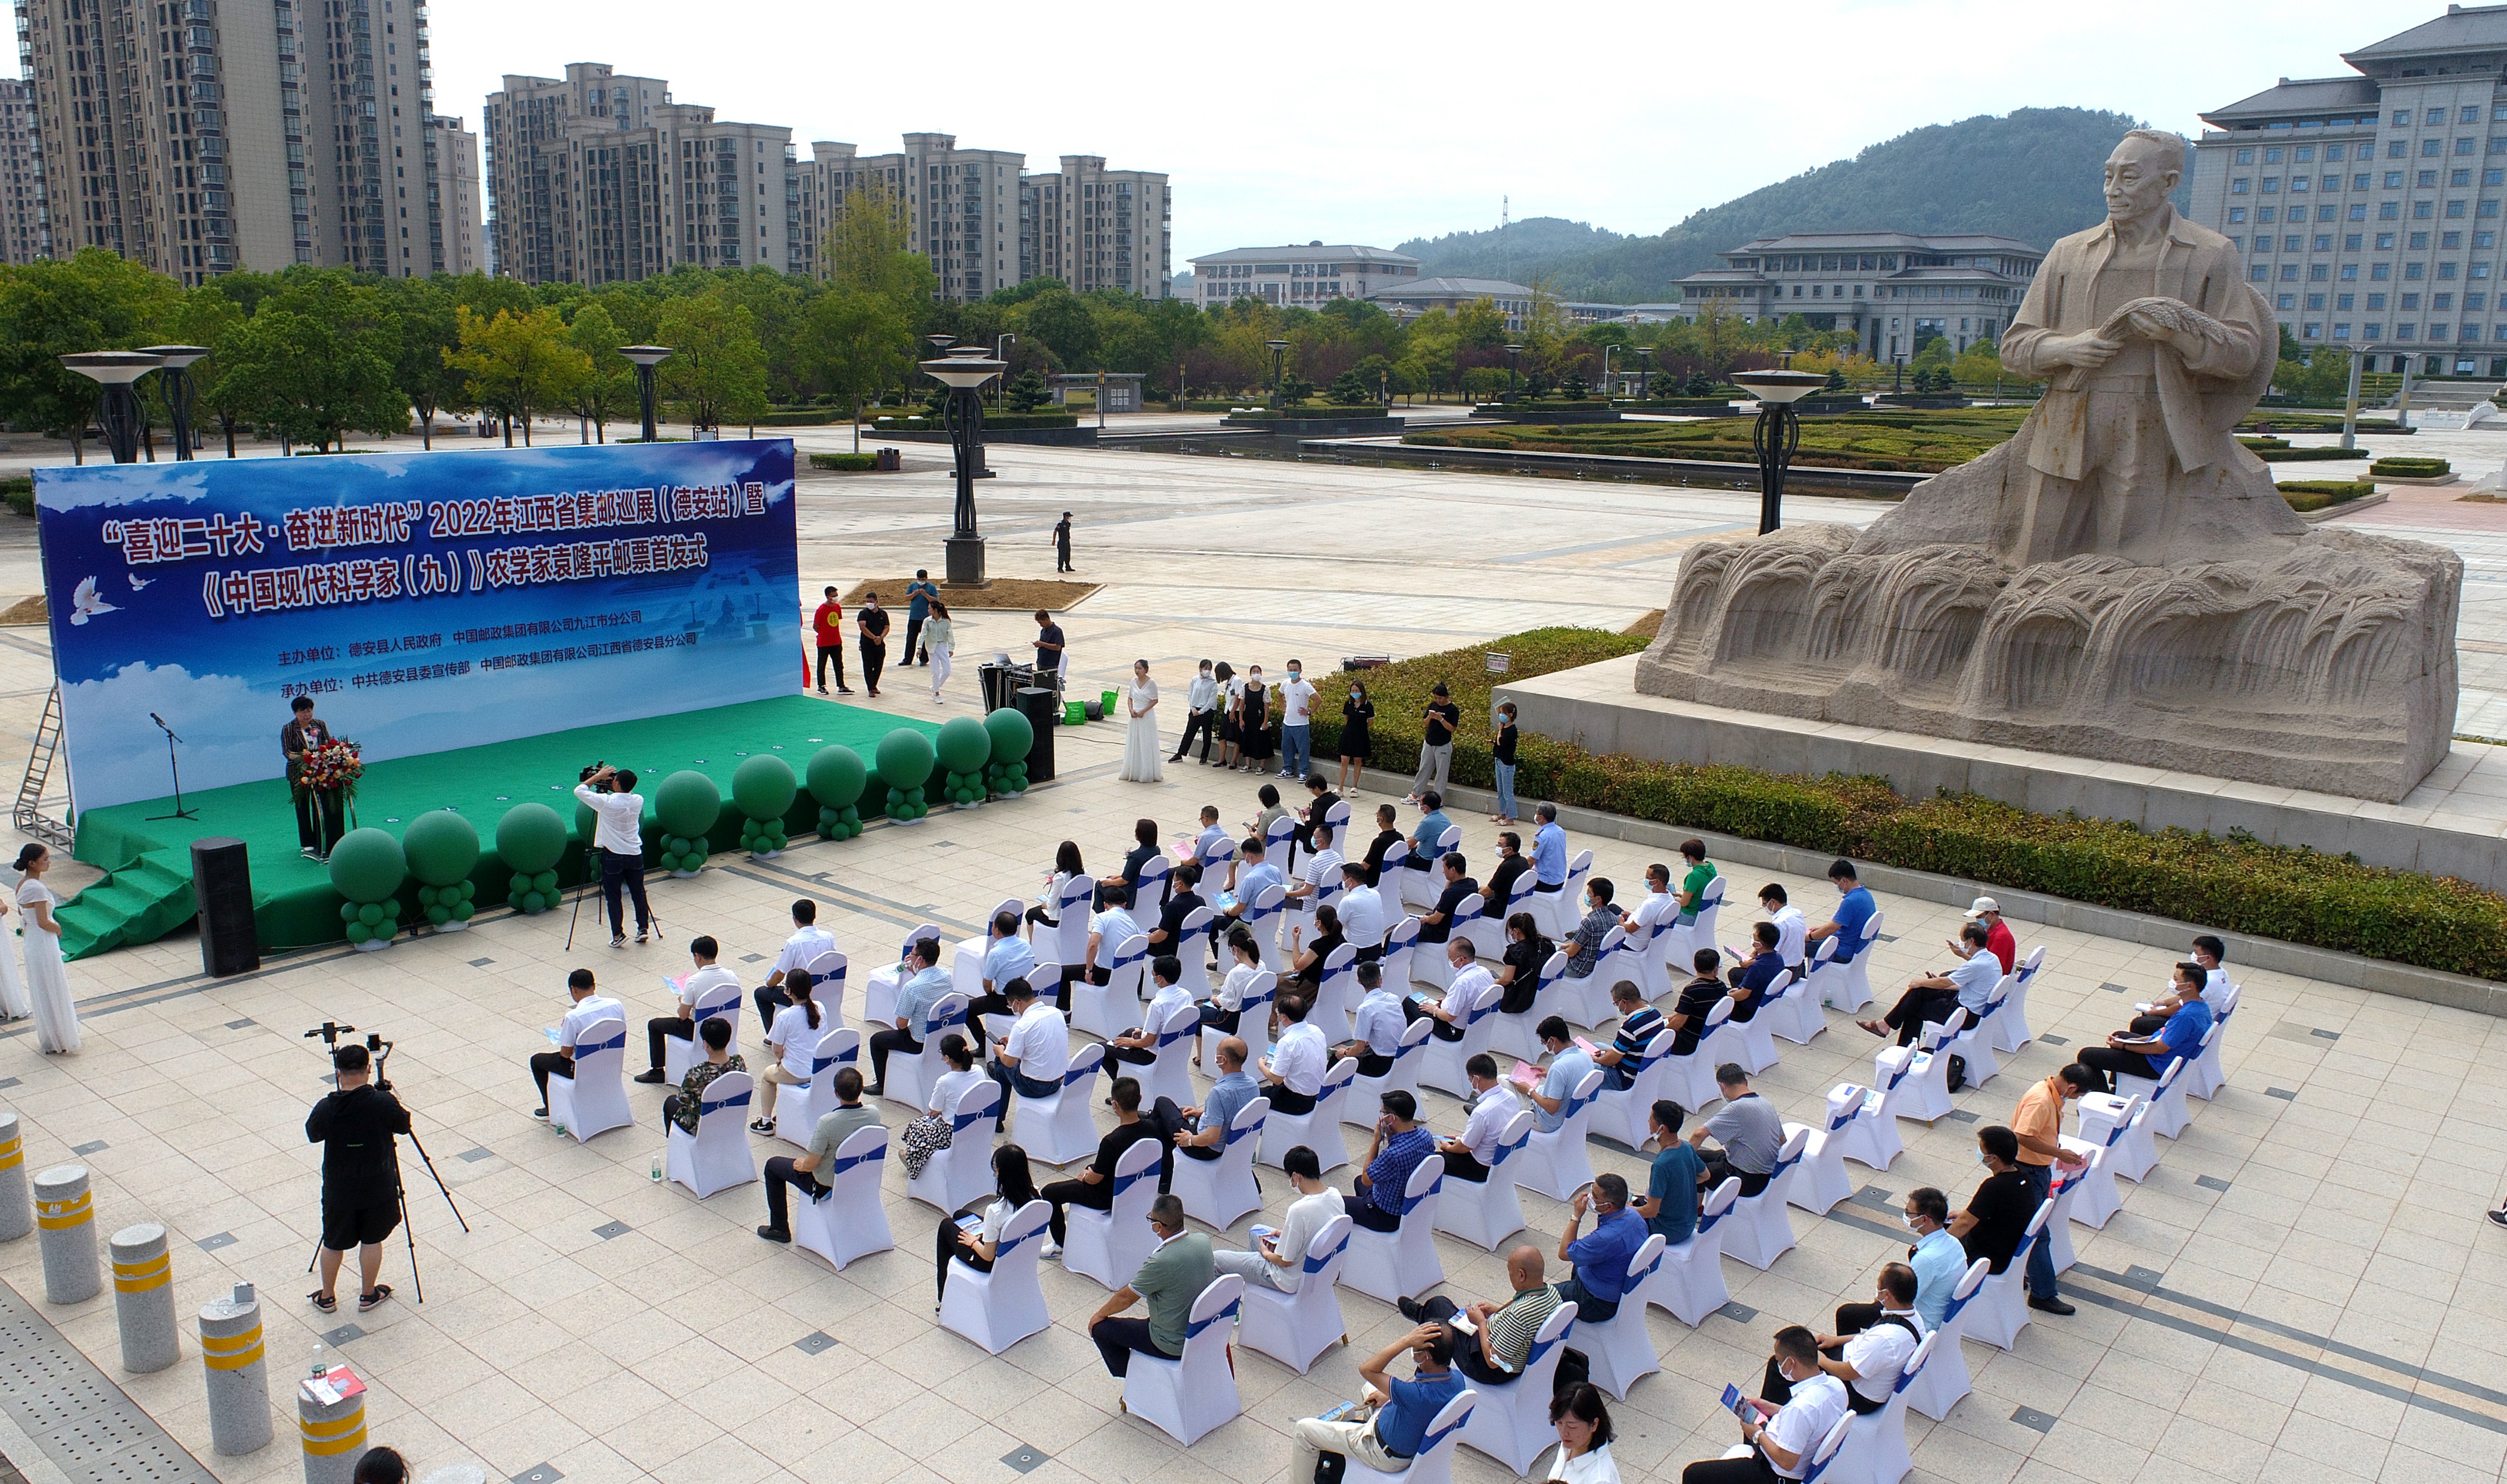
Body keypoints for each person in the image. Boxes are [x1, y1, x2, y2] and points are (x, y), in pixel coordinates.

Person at [305, 1041, 410, 1314]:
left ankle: (327, 1296)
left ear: (338, 1073)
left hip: (339, 1188)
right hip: (378, 1184)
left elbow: (313, 1134)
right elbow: (403, 1126)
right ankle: (368, 1294)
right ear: (368, 1069)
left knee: (333, 1241)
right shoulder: (383, 1102)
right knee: (372, 1239)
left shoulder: (327, 1107)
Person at [1290, 1323, 1465, 1482]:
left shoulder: (1415, 1396)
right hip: (1407, 1436)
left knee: (1304, 1430)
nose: (1413, 1350)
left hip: (1381, 1452)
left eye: (1416, 1348)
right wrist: (1390, 1397)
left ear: (1426, 1357)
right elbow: (1420, 1399)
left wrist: (1405, 1341)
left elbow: (1367, 1369)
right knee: (1370, 1389)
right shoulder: (1458, 1381)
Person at [1682, 1326, 1849, 1484]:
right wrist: (1772, 1408)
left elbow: (1787, 1461)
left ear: (1791, 1363)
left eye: (1779, 1361)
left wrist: (1757, 1434)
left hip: (1775, 1475)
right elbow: (1811, 1420)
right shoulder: (1836, 1386)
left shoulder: (1800, 1409)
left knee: (1693, 1474)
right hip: (1793, 1452)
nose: (1778, 1365)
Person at [1759, 1266, 1925, 1418]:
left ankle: (1771, 1422)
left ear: (1887, 1295)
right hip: (1860, 1368)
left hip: (1856, 1394)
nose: (1877, 1291)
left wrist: (1820, 1359)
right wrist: (1835, 1341)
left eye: (1879, 1287)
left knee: (1780, 1365)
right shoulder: (1912, 1317)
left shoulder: (1886, 1340)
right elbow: (1869, 1337)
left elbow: (1848, 1372)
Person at [1085, 1194, 1214, 1377]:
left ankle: (1134, 1379)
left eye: (1151, 1220)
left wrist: (1099, 1315)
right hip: (1199, 1333)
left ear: (1158, 1227)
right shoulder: (1203, 1241)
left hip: (1169, 1344)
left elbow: (1125, 1298)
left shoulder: (1161, 1262)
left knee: (1101, 1330)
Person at [1040, 1077, 1171, 1253]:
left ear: (1115, 1105)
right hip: (1137, 1190)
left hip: (1106, 1197)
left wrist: (1086, 1176)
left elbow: (1095, 1179)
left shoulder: (1111, 1142)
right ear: (1140, 1099)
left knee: (1049, 1192)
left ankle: (1061, 1244)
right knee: (1093, 1166)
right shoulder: (1152, 1128)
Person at [1402, 1246, 1561, 1383]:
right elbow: (1522, 1324)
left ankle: (1422, 1315)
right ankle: (1424, 1315)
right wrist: (1497, 1311)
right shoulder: (1552, 1294)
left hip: (1487, 1367)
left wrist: (1481, 1322)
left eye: (1510, 1272)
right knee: (1446, 1313)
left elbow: (1493, 1360)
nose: (1509, 1276)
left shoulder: (1518, 1316)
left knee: (1439, 1309)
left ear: (1521, 1275)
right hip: (1510, 1349)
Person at [756, 1068, 882, 1243]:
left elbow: (811, 1165)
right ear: (861, 1089)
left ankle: (779, 1229)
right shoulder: (874, 1114)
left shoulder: (827, 1123)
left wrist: (801, 1165)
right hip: (859, 1178)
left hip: (825, 1185)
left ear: (836, 1093)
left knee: (773, 1166)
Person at [2008, 1064, 2092, 1315]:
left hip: (2039, 1169)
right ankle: (2043, 1294)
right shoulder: (2041, 1101)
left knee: (2027, 1228)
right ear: (2072, 1088)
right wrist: (2058, 1153)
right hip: (2028, 1170)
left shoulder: (2051, 1095)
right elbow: (2023, 1136)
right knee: (2038, 1233)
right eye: (2077, 1095)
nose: (2074, 1099)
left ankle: (2018, 1273)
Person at [1213, 1144, 1343, 1289]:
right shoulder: (1336, 1196)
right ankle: (1252, 1285)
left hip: (1287, 1278)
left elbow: (1284, 1261)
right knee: (1257, 1231)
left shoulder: (1299, 1210)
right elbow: (1315, 1231)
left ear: (1296, 1177)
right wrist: (1285, 1235)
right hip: (1314, 1268)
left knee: (1215, 1259)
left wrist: (1265, 1253)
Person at [1859, 920, 1999, 1045]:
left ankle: (1903, 1047)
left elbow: (1946, 982)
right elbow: (1966, 982)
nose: (1960, 943)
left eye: (1962, 940)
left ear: (1971, 941)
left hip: (1966, 1015)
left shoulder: (1975, 965)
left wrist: (1921, 982)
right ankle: (1886, 1025)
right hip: (1971, 1005)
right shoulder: (1992, 959)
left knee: (1915, 1008)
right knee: (1919, 992)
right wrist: (1927, 984)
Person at [2077, 963, 2211, 1093]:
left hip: (2155, 1064)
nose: (2173, 982)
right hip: (2164, 1055)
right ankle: (2118, 1086)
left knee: (2087, 1055)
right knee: (2119, 1036)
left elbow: (2160, 1048)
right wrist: (2135, 1041)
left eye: (2176, 979)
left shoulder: (2185, 1016)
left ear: (2190, 986)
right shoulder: (2201, 1007)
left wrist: (2125, 1046)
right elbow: (2164, 1035)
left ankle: (2103, 1095)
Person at [937, 1144, 1038, 1310]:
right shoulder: (1036, 1198)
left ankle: (944, 1299)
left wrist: (972, 1242)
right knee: (960, 1214)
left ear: (1004, 1174)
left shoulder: (995, 1211)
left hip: (989, 1263)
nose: (995, 1174)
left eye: (996, 1170)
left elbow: (988, 1255)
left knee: (946, 1226)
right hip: (1018, 1255)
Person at [636, 935, 740, 1084]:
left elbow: (683, 1015)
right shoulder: (731, 976)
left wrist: (682, 999)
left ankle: (657, 1070)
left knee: (654, 1025)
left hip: (699, 1031)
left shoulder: (693, 982)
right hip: (726, 1027)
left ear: (698, 956)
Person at [573, 763, 654, 948]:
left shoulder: (606, 802)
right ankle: (643, 929)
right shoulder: (638, 800)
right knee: (639, 893)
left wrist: (597, 777)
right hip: (635, 854)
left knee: (614, 897)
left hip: (613, 856)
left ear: (616, 783)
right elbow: (624, 796)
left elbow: (580, 791)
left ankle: (618, 935)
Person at [528, 969, 621, 1118]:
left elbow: (566, 1054)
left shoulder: (573, 1017)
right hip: (610, 1063)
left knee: (537, 1061)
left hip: (581, 1069)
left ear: (574, 989)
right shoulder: (616, 1005)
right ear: (594, 985)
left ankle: (550, 1107)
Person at [1154, 1035, 1262, 1162]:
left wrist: (1190, 1140)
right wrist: (1203, 1113)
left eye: (1218, 1051)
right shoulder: (1253, 1085)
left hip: (1206, 1148)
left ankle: (1145, 1132)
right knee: (1163, 1123)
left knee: (1162, 1103)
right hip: (1231, 1144)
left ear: (1223, 1060)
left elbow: (1212, 1138)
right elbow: (1233, 1113)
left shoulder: (1219, 1093)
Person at [1555, 1173, 1648, 1321]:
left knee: (1541, 1297)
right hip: (1615, 1281)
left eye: (1594, 1196)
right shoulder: (1635, 1216)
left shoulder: (1606, 1238)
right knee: (1579, 1257)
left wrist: (1576, 1216)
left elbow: (1564, 1253)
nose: (1589, 1198)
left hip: (1596, 1302)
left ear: (1608, 1206)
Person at [897, 1034, 987, 1180]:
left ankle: (913, 1161)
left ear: (947, 1058)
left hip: (950, 1133)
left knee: (915, 1126)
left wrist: (939, 1111)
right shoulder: (979, 1070)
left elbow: (934, 1109)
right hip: (976, 1126)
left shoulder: (945, 1081)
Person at [867, 937, 948, 1096]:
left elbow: (901, 1024)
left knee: (876, 1040)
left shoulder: (912, 987)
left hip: (919, 1041)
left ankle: (882, 1084)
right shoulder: (946, 975)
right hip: (942, 1033)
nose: (909, 957)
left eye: (912, 954)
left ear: (920, 959)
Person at [15, 845, 77, 1055]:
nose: (49, 862)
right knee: (52, 985)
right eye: (45, 859)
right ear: (32, 863)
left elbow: (24, 914)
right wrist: (58, 929)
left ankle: (52, 1035)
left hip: (32, 939)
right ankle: (60, 1036)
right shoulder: (37, 889)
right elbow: (43, 921)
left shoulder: (23, 884)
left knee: (43, 986)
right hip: (43, 940)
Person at [985, 978, 1070, 1131]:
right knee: (1007, 1061)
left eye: (1010, 1005)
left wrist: (1000, 1052)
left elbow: (1009, 1062)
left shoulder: (1022, 1025)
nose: (1012, 1008)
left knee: (1000, 1064)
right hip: (1059, 1081)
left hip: (1034, 1087)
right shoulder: (1056, 1013)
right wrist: (1014, 1042)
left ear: (1017, 1002)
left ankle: (997, 1120)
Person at [1103, 957, 1196, 1095]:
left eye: (1153, 974)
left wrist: (1131, 1042)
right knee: (1129, 1032)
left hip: (1152, 1055)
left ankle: (1123, 1092)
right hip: (1174, 1048)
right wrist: (1143, 1032)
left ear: (1160, 979)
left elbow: (1149, 1042)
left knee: (1102, 1049)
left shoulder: (1158, 1004)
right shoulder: (1187, 995)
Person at [1951, 1126, 2035, 1275]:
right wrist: (1964, 1214)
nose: (1979, 1153)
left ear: (1993, 1158)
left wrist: (1938, 1245)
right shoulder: (2023, 1176)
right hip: (2007, 1248)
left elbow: (1965, 1223)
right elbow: (1997, 1210)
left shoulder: (1995, 1186)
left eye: (1982, 1150)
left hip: (1988, 1257)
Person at [1347, 1091, 1434, 1231]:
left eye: (1384, 1113)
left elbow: (1366, 1179)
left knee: (1337, 1205)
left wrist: (1376, 1141)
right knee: (1357, 1182)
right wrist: (1390, 1136)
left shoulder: (1393, 1155)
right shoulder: (1426, 1137)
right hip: (1410, 1206)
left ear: (1392, 1118)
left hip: (1385, 1215)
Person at [749, 972, 823, 1134]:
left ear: (788, 991)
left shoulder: (785, 1016)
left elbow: (777, 1049)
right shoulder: (820, 1008)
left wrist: (781, 1060)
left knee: (767, 1077)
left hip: (795, 1072)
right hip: (818, 1070)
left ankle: (765, 1122)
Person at [1691, 1065, 1782, 1195]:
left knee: (1693, 1168)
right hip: (1765, 1174)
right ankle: (1699, 1205)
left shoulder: (1737, 1108)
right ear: (1746, 1082)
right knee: (1697, 1157)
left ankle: (1696, 1206)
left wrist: (1680, 1157)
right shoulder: (1765, 1103)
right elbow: (1782, 1140)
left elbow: (1699, 1134)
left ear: (1722, 1086)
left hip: (1748, 1179)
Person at [754, 898, 836, 1026]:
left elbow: (779, 975)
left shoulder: (793, 943)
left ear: (795, 918)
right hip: (826, 989)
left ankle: (772, 1033)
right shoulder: (828, 937)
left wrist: (769, 984)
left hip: (800, 996)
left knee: (760, 993)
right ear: (814, 916)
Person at [282, 695, 345, 860]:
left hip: (320, 772)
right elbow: (287, 752)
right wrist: (306, 758)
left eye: (309, 711)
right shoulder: (288, 729)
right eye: (303, 711)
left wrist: (327, 755)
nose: (307, 714)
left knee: (320, 804)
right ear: (295, 713)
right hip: (298, 772)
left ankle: (321, 838)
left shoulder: (320, 724)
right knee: (302, 806)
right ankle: (307, 842)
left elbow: (329, 744)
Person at [1441, 1054, 1521, 1182]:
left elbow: (1465, 1148)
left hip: (1480, 1167)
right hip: (1501, 1161)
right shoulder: (1511, 1098)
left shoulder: (1482, 1113)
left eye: (1470, 1080)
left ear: (1476, 1079)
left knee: (1432, 1160)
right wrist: (1461, 1139)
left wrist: (1448, 1148)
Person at [1638, 1102, 1707, 1245]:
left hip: (1667, 1231)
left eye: (1651, 1118)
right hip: (1687, 1224)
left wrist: (1626, 1210)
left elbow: (1652, 1211)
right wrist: (1678, 1186)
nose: (1648, 1121)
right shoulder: (1687, 1148)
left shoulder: (1661, 1165)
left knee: (1616, 1216)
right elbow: (1705, 1175)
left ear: (1662, 1128)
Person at [664, 1015, 746, 1134]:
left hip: (701, 1126)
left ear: (705, 1044)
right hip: (731, 1121)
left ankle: (673, 1141)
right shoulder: (739, 1062)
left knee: (670, 1102)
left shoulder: (696, 1073)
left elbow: (683, 1099)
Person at [1407, 939, 1495, 1043]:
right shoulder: (1485, 972)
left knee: (1409, 1003)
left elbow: (1450, 1017)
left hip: (1453, 1030)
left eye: (1452, 959)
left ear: (1461, 960)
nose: (1451, 963)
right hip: (1476, 1026)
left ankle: (1410, 1041)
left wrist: (1434, 1010)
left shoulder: (1462, 983)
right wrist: (1446, 1002)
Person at [1902, 1187, 1965, 1328]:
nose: (1906, 1216)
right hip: (1939, 1315)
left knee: (1852, 1315)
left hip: (1922, 1324)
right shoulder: (1955, 1244)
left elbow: (1903, 1303)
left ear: (1924, 1219)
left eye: (1909, 1213)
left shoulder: (1926, 1259)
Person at [963, 910, 1040, 1025]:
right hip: (1027, 995)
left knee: (965, 1010)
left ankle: (982, 1036)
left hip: (1007, 1001)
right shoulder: (1025, 944)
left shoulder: (996, 953)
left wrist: (991, 996)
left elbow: (986, 983)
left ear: (997, 931)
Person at [1526, 1017, 1597, 1134]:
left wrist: (1529, 1091)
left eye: (1544, 1043)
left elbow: (1552, 1108)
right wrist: (1550, 1075)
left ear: (1553, 1040)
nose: (1546, 1047)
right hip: (1573, 1116)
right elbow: (1571, 1080)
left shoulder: (1559, 1068)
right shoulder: (1585, 1055)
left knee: (1506, 1085)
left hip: (1549, 1122)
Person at [1336, 962, 1406, 1076]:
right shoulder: (1394, 998)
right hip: (1400, 1056)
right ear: (1380, 980)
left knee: (1336, 1060)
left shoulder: (1365, 1009)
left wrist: (1344, 1054)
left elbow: (1359, 1048)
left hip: (1381, 1064)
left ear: (1359, 982)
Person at [1261, 993, 1326, 1115]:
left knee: (1254, 1095)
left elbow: (1277, 1079)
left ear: (1284, 1017)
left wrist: (1261, 1066)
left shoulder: (1287, 1042)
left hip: (1298, 1101)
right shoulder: (1317, 1031)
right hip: (1318, 1094)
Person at [1803, 858, 1877, 966]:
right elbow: (1839, 923)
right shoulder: (1866, 895)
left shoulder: (1850, 902)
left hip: (1842, 951)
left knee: (1796, 947)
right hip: (1852, 946)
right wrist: (1820, 929)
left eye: (1836, 884)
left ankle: (1797, 975)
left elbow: (1832, 928)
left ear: (1844, 881)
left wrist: (1809, 937)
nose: (1837, 887)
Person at [1592, 981, 1664, 1090]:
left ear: (1624, 1002)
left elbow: (1611, 1061)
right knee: (1597, 1046)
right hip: (1643, 1070)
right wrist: (1612, 1052)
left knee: (1583, 1065)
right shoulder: (1656, 1015)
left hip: (1623, 1078)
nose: (1618, 1007)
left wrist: (1594, 1059)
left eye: (1616, 1004)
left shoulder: (1630, 1027)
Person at [1546, 1383, 1623, 1484]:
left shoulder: (1599, 1479)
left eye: (1572, 1426)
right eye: (1559, 1423)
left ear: (1594, 1424)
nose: (1563, 1432)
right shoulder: (1571, 1444)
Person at [1200, 930, 1264, 1045]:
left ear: (1235, 949)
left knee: (1199, 1013)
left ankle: (1201, 1054)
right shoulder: (1261, 966)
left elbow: (1227, 1003)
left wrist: (1213, 999)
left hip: (1232, 1020)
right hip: (1253, 1016)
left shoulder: (1236, 973)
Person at [1666, 948, 1727, 1056]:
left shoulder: (1691, 991)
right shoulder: (1722, 987)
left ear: (1695, 966)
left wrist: (1663, 1032)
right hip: (1708, 1036)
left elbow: (1679, 1022)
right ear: (1716, 969)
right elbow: (1683, 1013)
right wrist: (1669, 1018)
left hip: (1688, 1042)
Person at [1024, 840, 1086, 939]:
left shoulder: (1061, 878)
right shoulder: (1085, 873)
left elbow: (1052, 904)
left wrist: (1045, 904)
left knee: (1030, 914)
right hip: (1078, 915)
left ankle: (1033, 945)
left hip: (1059, 919)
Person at [1494, 911, 1553, 1014]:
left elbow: (1507, 979)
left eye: (1510, 931)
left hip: (1519, 999)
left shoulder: (1516, 952)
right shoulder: (1545, 944)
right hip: (1538, 990)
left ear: (1515, 931)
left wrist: (1496, 982)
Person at [1096, 817, 1160, 913]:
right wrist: (1118, 877)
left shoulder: (1135, 857)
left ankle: (1101, 914)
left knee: (1100, 884)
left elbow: (1124, 881)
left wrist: (1108, 883)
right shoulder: (1157, 850)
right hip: (1146, 889)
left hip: (1131, 895)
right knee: (1111, 878)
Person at [1725, 923, 1788, 1019]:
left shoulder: (1756, 967)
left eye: (1754, 940)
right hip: (1763, 1002)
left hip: (1748, 1011)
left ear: (1759, 945)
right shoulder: (1779, 958)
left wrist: (1727, 997)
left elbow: (1743, 995)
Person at [1414, 853, 1477, 947]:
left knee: (1403, 932)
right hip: (1457, 927)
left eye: (1444, 868)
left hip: (1441, 932)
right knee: (1428, 914)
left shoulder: (1450, 893)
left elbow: (1435, 920)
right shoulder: (1473, 884)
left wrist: (1425, 919)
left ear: (1453, 870)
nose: (1443, 872)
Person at [1143, 863, 1205, 959]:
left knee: (1143, 942)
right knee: (1153, 930)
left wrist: (1144, 938)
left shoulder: (1172, 906)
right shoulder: (1200, 901)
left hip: (1171, 949)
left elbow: (1161, 936)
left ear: (1180, 884)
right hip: (1191, 944)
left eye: (1174, 881)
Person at [1084, 885, 1143, 985]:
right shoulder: (1133, 924)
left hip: (1104, 972)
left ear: (1105, 905)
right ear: (1124, 905)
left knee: (1065, 973)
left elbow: (1092, 946)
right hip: (1125, 973)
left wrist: (1088, 971)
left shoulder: (1101, 918)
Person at [1119, 658, 1164, 783]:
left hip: (1146, 715)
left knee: (1146, 741)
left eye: (1140, 668)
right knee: (1135, 741)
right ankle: (1134, 770)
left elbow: (1155, 700)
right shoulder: (1133, 682)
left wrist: (1144, 711)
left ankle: (1147, 771)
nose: (1137, 671)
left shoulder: (1151, 683)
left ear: (1146, 670)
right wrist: (1131, 710)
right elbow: (1130, 698)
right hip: (1135, 715)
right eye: (1136, 668)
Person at [1563, 878, 1618, 979]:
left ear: (1598, 899)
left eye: (1589, 893)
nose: (1586, 895)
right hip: (1597, 968)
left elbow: (1571, 953)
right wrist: (1571, 946)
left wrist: (1558, 953)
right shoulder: (1614, 919)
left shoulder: (1589, 922)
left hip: (1579, 969)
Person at [1172, 659, 1220, 764]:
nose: (1207, 671)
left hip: (1206, 712)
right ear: (1200, 669)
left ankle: (1204, 757)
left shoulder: (1212, 683)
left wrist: (1202, 711)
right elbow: (1190, 695)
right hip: (1194, 711)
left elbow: (1211, 700)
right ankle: (1180, 754)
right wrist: (1193, 709)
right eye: (1205, 668)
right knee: (1189, 733)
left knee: (1207, 735)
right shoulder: (1195, 680)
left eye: (1209, 669)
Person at [1277, 658, 1318, 781]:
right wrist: (1283, 707)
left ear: (1300, 670)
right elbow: (1280, 695)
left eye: (1295, 670)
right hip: (1287, 723)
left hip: (1301, 724)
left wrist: (1309, 712)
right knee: (1286, 748)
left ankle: (1303, 772)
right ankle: (1287, 769)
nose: (1293, 672)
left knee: (1303, 750)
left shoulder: (1306, 686)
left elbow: (1318, 699)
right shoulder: (1286, 684)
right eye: (1290, 670)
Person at [1338, 863, 1387, 962]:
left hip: (1358, 953)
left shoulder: (1348, 901)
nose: (1343, 883)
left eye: (1344, 880)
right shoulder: (1376, 894)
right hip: (1377, 949)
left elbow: (1337, 925)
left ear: (1351, 880)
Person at [1406, 791, 1454, 891]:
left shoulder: (1427, 823)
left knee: (1396, 858)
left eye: (1420, 802)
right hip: (1439, 859)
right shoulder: (1446, 820)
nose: (1419, 804)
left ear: (1426, 807)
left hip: (1424, 861)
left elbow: (1410, 844)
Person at [811, 585, 853, 694]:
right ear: (828, 597)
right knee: (822, 665)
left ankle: (841, 686)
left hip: (836, 641)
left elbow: (837, 621)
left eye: (836, 595)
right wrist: (823, 634)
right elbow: (815, 626)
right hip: (824, 643)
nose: (836, 598)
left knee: (839, 665)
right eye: (834, 596)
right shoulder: (821, 610)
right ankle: (821, 686)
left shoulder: (837, 607)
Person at [1759, 884, 1807, 975]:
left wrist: (1750, 962)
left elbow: (1771, 951)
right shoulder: (1797, 913)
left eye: (1765, 904)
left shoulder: (1780, 923)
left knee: (1736, 974)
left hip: (1785, 970)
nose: (1765, 908)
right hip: (1800, 967)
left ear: (1772, 902)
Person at [1339, 679, 1376, 795]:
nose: (1354, 693)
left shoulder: (1368, 706)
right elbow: (1346, 718)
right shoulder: (1348, 704)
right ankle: (1340, 788)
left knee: (1358, 760)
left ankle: (1354, 787)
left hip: (1361, 735)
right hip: (1348, 734)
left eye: (1356, 691)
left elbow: (1371, 721)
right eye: (1353, 691)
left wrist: (1362, 728)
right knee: (1344, 760)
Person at [1964, 895, 2017, 974]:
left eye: (1980, 917)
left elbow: (1991, 967)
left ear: (1991, 914)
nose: (1978, 920)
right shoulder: (1991, 930)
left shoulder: (2001, 937)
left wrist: (1962, 955)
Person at [1530, 801, 1569, 906]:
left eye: (1537, 814)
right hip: (1559, 880)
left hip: (1546, 883)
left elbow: (1531, 861)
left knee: (1514, 882)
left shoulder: (1542, 836)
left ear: (1541, 817)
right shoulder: (1560, 831)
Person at [1237, 664, 1273, 771]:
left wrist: (1265, 722)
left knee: (1261, 741)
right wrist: (1241, 719)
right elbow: (1242, 704)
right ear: (1250, 674)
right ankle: (1248, 764)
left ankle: (1261, 766)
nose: (1256, 674)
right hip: (1248, 718)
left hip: (1260, 719)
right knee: (1247, 740)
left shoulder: (1265, 689)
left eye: (1258, 672)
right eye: (1254, 672)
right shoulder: (1245, 687)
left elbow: (1267, 707)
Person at [1294, 771, 1340, 853]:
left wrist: (1303, 819)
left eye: (1311, 790)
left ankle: (1291, 859)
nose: (1312, 792)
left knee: (1294, 828)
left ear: (1316, 788)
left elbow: (1311, 826)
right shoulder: (1337, 799)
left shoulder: (1318, 804)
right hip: (1333, 834)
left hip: (1318, 840)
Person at [1491, 700, 1521, 824]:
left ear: (1510, 715)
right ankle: (1503, 813)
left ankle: (1511, 817)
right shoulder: (1504, 728)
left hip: (1506, 764)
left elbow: (1502, 742)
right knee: (1501, 791)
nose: (1501, 715)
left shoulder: (1512, 730)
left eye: (1503, 713)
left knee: (1508, 793)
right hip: (1499, 760)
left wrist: (1500, 730)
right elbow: (1498, 743)